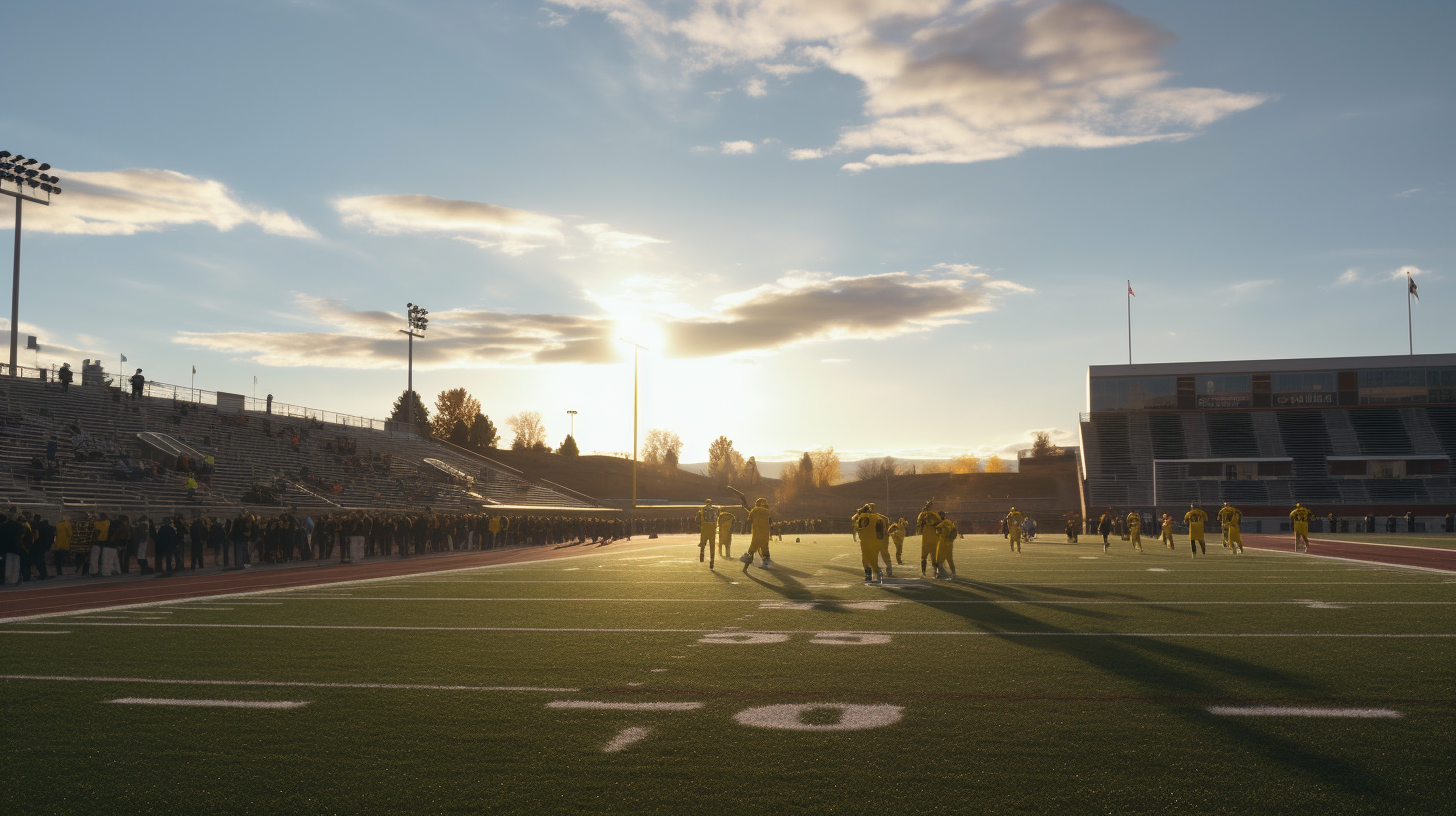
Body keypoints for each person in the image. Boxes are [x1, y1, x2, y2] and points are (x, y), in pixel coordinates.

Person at [851, 503, 886, 583]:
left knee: (865, 558)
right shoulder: (875, 517)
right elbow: (884, 522)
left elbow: (855, 526)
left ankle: (869, 572)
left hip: (865, 541)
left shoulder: (860, 518)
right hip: (875, 540)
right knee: (873, 557)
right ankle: (876, 571)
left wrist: (854, 536)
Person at [740, 498, 772, 570]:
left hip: (757, 532)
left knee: (753, 546)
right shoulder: (767, 512)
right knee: (765, 547)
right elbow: (770, 522)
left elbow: (749, 520)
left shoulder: (754, 510)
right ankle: (766, 562)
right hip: (765, 533)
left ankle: (748, 559)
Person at [916, 503, 942, 577]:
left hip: (927, 539)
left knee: (924, 557)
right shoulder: (934, 515)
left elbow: (918, 525)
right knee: (933, 557)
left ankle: (924, 572)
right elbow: (939, 524)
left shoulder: (922, 515)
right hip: (932, 539)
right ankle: (936, 572)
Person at [934, 514, 959, 579]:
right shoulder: (950, 523)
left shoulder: (941, 525)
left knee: (939, 559)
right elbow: (955, 532)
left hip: (942, 544)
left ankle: (939, 573)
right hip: (949, 544)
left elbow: (937, 532)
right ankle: (953, 573)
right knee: (949, 559)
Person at [696, 500, 717, 566]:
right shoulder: (715, 511)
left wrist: (700, 524)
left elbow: (697, 520)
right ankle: (712, 560)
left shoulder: (701, 511)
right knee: (712, 546)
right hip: (712, 530)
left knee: (703, 544)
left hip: (704, 530)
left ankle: (702, 557)